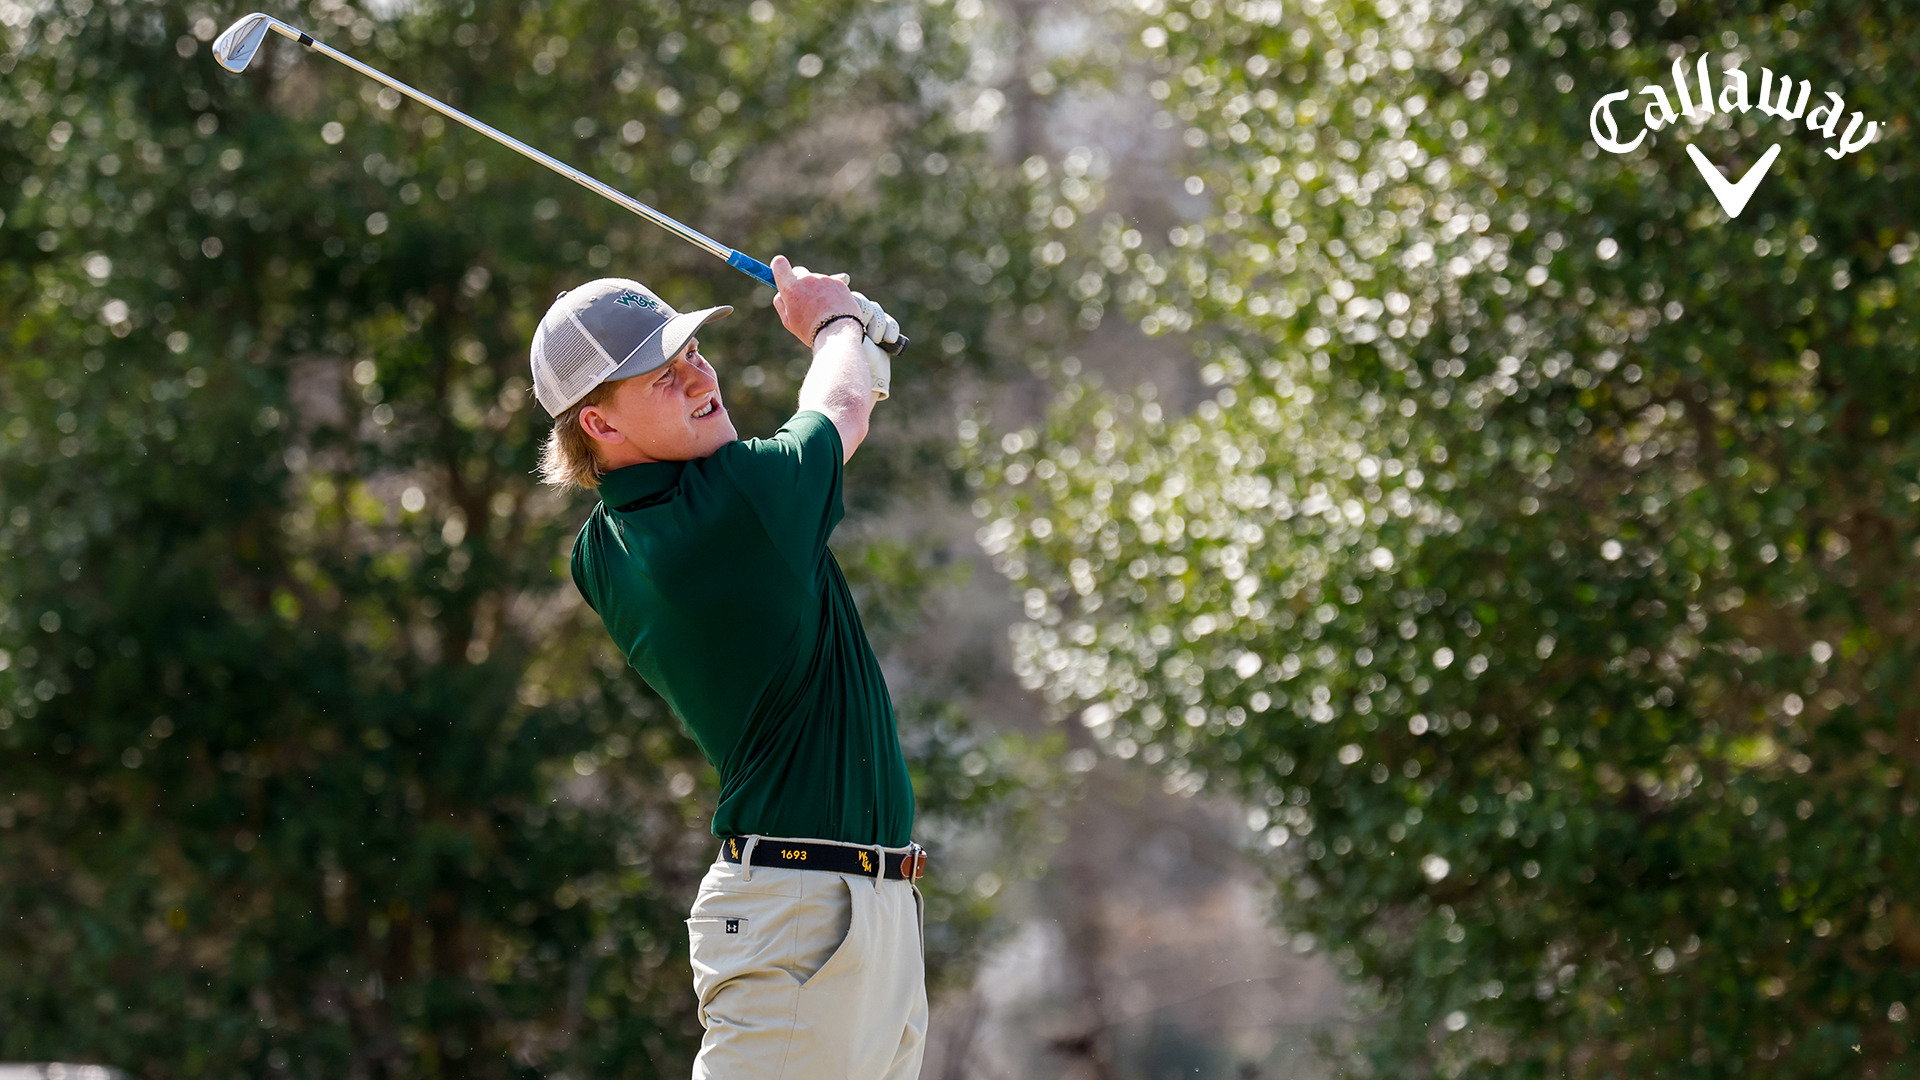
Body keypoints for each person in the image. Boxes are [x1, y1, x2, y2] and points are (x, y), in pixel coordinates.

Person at [529, 255, 926, 1080]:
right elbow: (840, 407)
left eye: (690, 354)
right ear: (598, 426)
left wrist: (855, 345)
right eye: (661, 378)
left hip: (854, 910)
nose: (698, 376)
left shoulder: (605, 548)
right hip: (803, 913)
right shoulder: (730, 512)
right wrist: (836, 324)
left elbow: (830, 412)